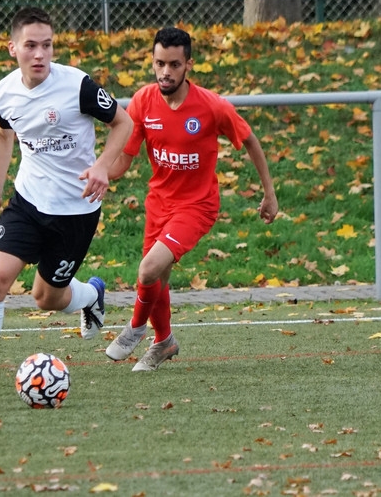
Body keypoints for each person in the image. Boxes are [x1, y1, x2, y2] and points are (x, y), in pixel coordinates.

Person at [0, 6, 133, 403]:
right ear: (12, 48)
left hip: (76, 212)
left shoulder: (78, 86)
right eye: (31, 45)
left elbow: (124, 122)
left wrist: (102, 166)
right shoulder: (5, 91)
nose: (40, 54)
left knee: (46, 298)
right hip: (28, 203)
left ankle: (90, 296)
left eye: (47, 45)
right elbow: (3, 134)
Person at [104, 27, 278, 371]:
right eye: (159, 63)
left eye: (174, 64)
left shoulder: (212, 106)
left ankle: (135, 328)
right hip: (158, 203)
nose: (165, 72)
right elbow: (123, 161)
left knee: (148, 270)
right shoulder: (142, 102)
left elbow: (250, 140)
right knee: (158, 278)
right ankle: (164, 342)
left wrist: (269, 193)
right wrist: (96, 172)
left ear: (188, 65)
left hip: (197, 206)